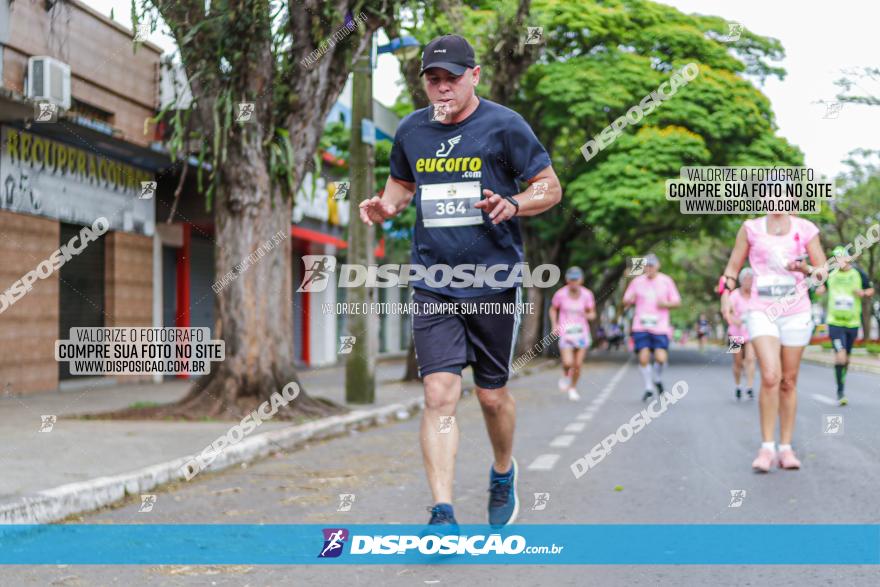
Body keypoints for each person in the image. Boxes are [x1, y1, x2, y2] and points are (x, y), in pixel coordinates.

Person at [358, 34, 561, 530]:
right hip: (434, 280)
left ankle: (502, 470)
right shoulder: (411, 131)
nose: (443, 88)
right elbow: (403, 187)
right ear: (424, 83)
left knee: (491, 396)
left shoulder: (505, 126)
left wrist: (514, 202)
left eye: (452, 78)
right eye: (434, 80)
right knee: (439, 395)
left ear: (474, 76)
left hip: (493, 279)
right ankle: (443, 511)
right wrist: (387, 207)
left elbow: (549, 188)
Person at [720, 212, 826, 472]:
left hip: (796, 310)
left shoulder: (805, 228)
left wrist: (805, 269)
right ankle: (767, 446)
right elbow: (732, 268)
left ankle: (785, 448)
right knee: (769, 375)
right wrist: (726, 294)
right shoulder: (750, 228)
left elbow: (823, 272)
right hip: (760, 312)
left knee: (788, 381)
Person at [622, 254, 682, 401]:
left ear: (658, 266)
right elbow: (626, 301)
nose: (649, 268)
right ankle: (648, 387)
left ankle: (657, 378)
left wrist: (665, 304)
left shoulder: (666, 281)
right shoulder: (636, 281)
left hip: (660, 326)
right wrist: (628, 296)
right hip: (641, 325)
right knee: (643, 357)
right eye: (646, 265)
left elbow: (677, 302)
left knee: (661, 358)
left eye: (652, 265)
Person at [825, 246, 874, 406]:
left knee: (847, 358)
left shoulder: (858, 273)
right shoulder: (830, 274)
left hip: (852, 322)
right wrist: (818, 289)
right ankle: (840, 391)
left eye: (841, 257)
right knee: (841, 354)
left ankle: (841, 382)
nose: (839, 261)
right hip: (835, 322)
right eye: (836, 258)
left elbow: (870, 289)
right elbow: (820, 287)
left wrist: (863, 293)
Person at [549, 266, 597, 401]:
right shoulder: (560, 294)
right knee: (567, 363)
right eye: (571, 280)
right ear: (567, 280)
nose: (573, 282)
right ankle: (566, 375)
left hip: (582, 333)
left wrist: (588, 316)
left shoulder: (587, 294)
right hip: (566, 333)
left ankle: (573, 388)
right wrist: (554, 325)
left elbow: (592, 313)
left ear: (581, 280)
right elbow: (553, 309)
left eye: (576, 280)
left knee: (578, 364)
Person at [723, 267, 756, 400]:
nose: (748, 282)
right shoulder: (735, 295)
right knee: (737, 362)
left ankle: (749, 387)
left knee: (750, 359)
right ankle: (738, 385)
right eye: (746, 280)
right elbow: (727, 312)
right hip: (736, 333)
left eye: (751, 280)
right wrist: (735, 320)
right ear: (741, 281)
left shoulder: (756, 294)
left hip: (751, 332)